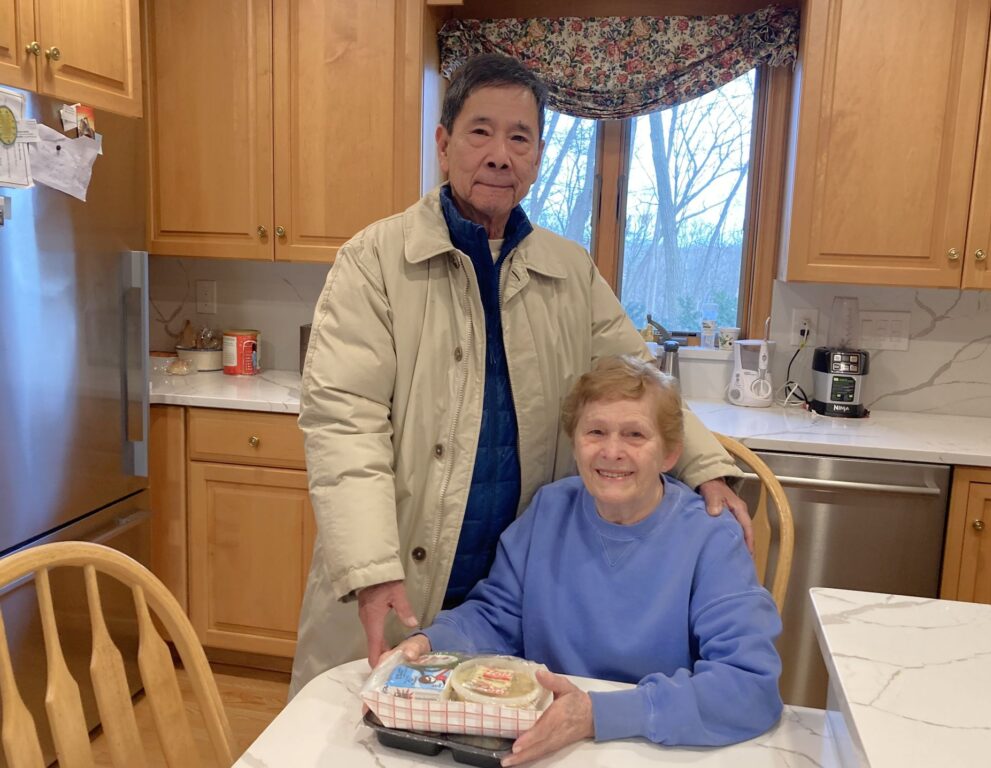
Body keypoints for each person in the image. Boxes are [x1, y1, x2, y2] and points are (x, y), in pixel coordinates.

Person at [292, 52, 750, 696]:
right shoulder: (373, 263)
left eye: (520, 137)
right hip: (405, 571)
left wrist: (702, 463)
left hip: (518, 579)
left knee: (501, 732)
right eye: (480, 132)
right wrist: (371, 567)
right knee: (379, 732)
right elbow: (345, 425)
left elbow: (636, 376)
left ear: (537, 155)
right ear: (445, 144)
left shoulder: (568, 268)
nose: (500, 154)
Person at [385, 356, 783, 765]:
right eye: (595, 432)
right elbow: (497, 616)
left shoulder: (711, 538)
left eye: (634, 435)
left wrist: (596, 714)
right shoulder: (550, 510)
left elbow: (749, 686)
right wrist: (431, 642)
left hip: (655, 746)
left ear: (669, 454)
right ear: (574, 444)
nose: (612, 451)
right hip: (549, 741)